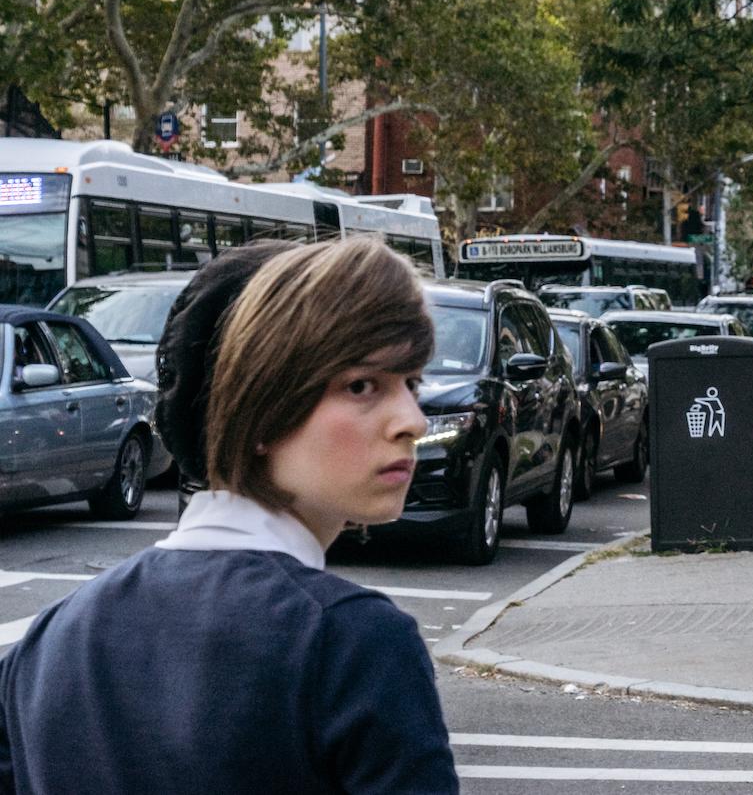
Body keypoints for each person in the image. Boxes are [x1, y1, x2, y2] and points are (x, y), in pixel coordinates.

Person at [0, 237, 458, 793]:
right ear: (261, 407)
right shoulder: (352, 643)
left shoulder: (50, 640)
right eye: (362, 385)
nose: (412, 419)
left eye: (413, 383)